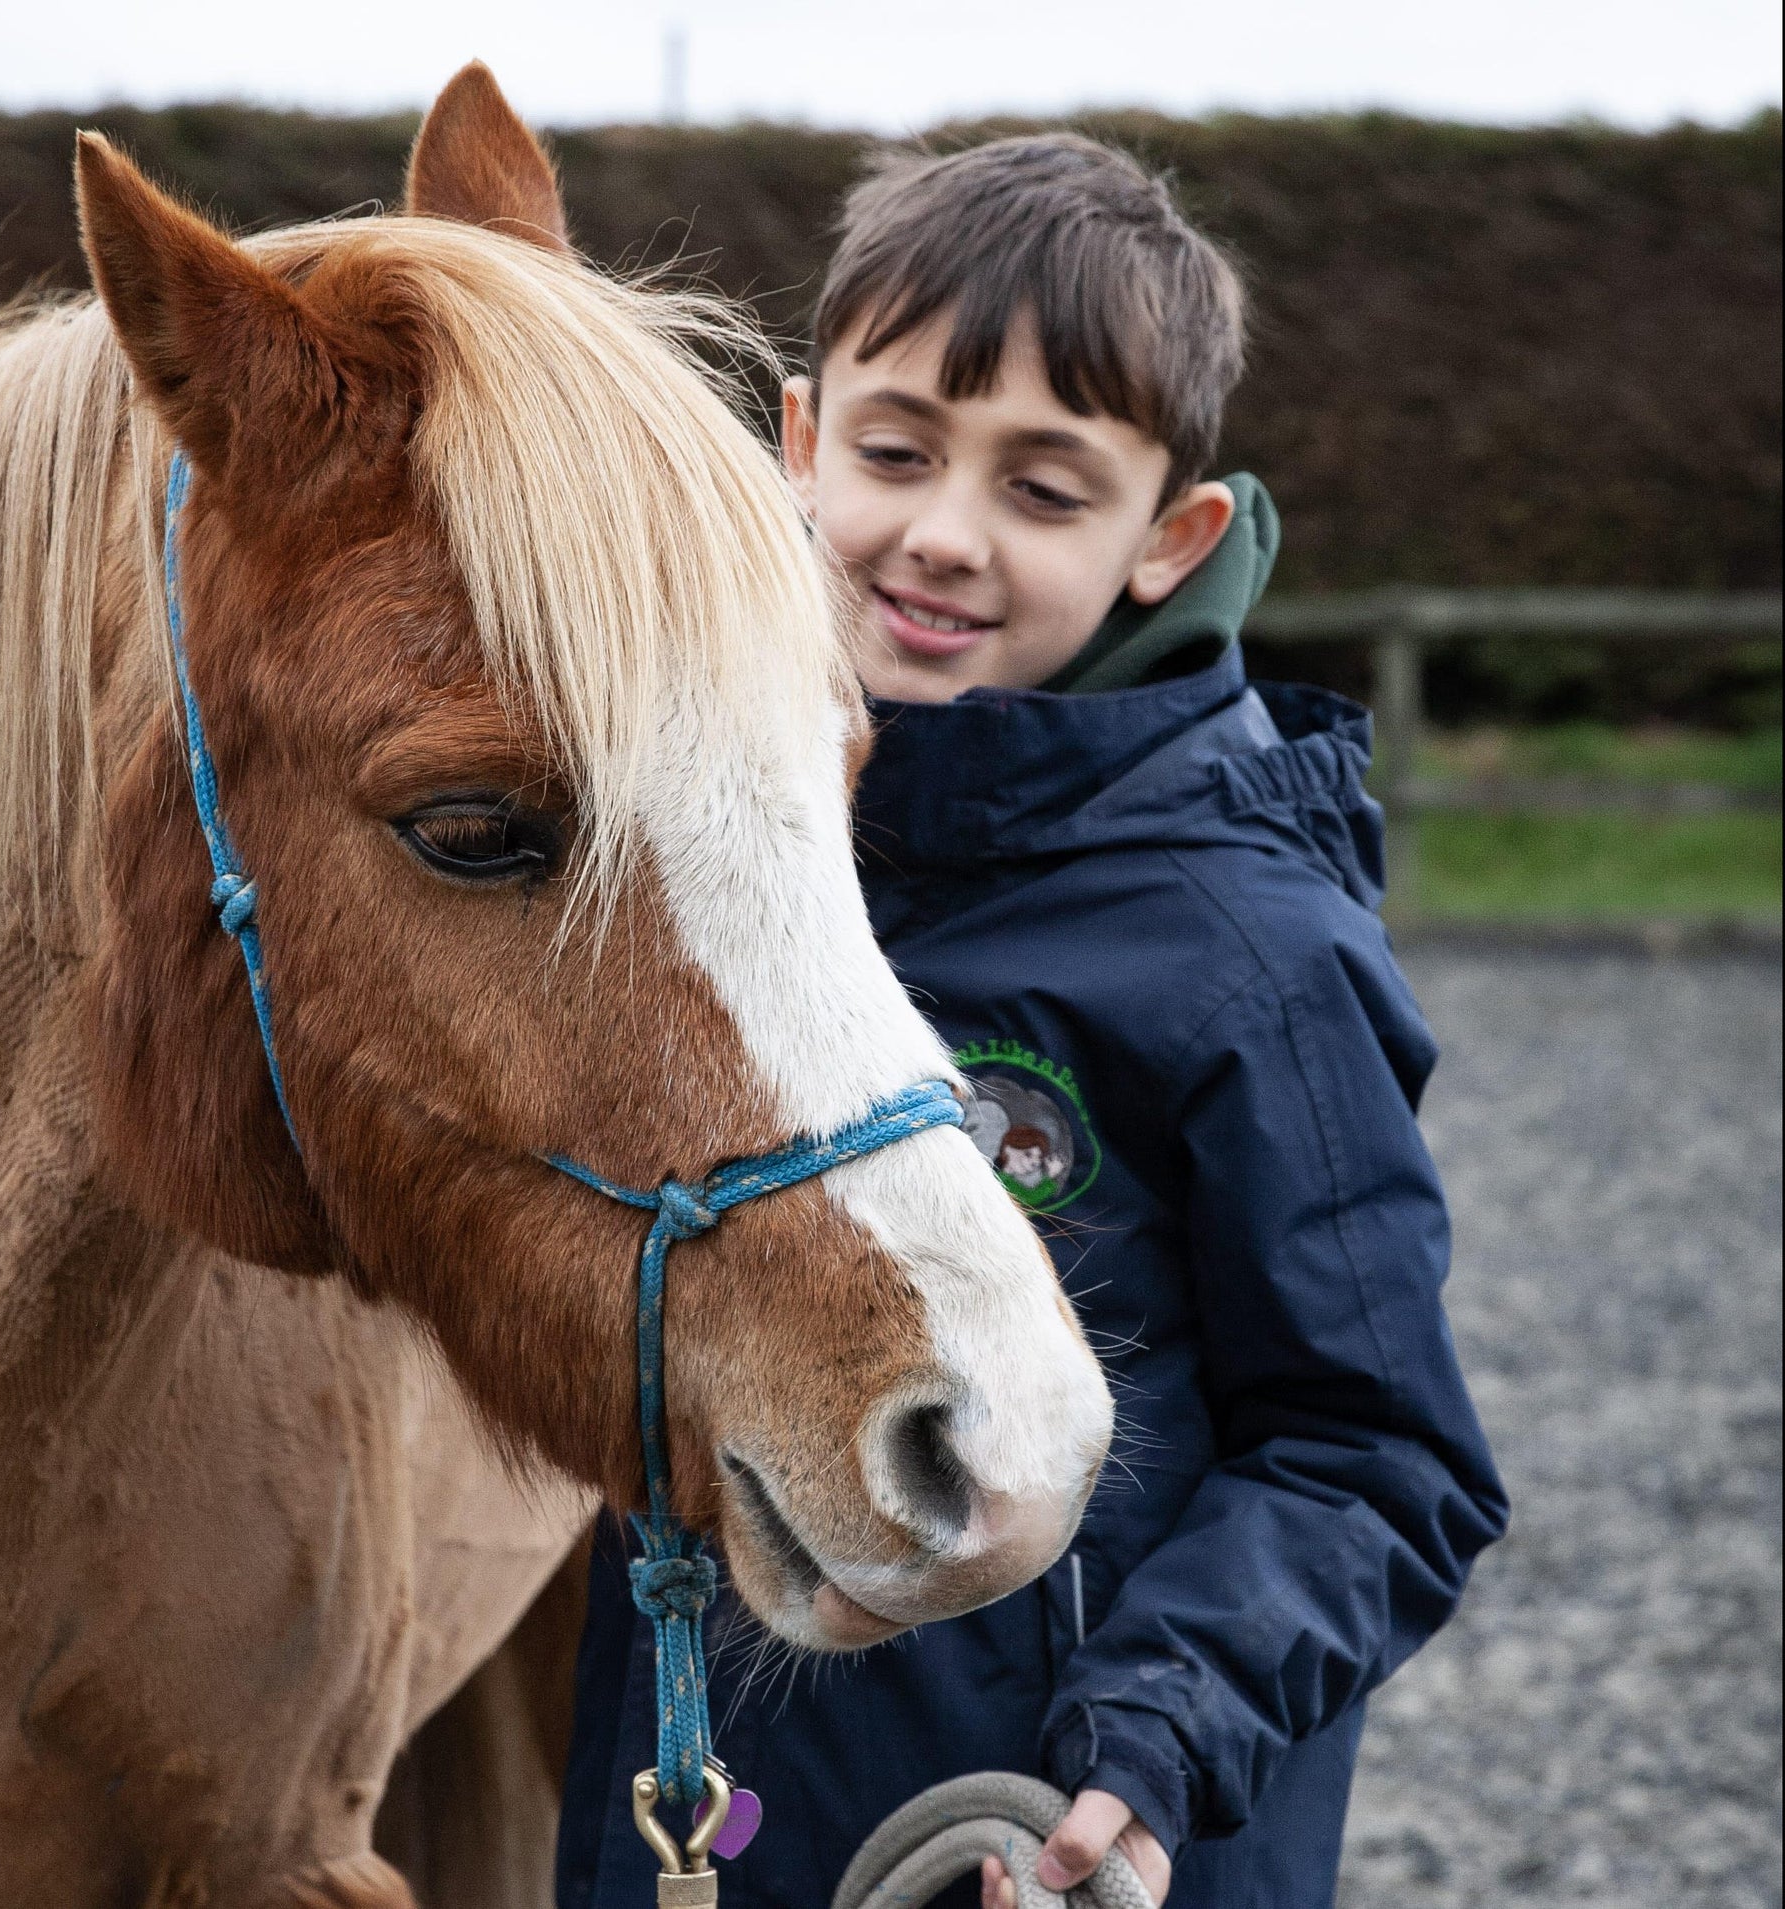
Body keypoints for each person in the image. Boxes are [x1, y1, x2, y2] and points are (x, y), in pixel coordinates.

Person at [554, 133, 1507, 1909]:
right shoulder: (711, 876)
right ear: (797, 440)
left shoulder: (1252, 949)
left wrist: (1148, 1744)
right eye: (898, 449)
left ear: (1173, 537)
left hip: (1051, 1837)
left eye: (1045, 489)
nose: (942, 532)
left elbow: (1379, 1457)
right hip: (693, 1834)